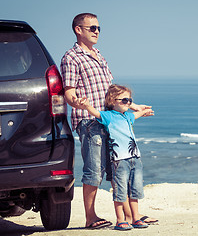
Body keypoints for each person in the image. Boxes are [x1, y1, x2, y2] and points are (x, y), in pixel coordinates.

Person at [60, 13, 157, 229]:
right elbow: (68, 92)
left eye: (98, 28)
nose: (96, 31)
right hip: (89, 121)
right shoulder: (71, 57)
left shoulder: (99, 55)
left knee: (119, 169)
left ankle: (132, 216)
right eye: (91, 28)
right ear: (78, 29)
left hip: (112, 121)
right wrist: (78, 103)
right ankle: (90, 217)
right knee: (94, 170)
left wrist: (133, 106)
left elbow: (111, 93)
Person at [81, 84, 154, 230]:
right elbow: (95, 113)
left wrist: (143, 109)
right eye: (125, 100)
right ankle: (120, 220)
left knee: (135, 190)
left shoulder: (128, 116)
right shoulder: (108, 116)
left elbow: (138, 114)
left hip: (135, 158)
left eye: (129, 100)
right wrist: (87, 105)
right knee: (120, 190)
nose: (128, 103)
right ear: (113, 100)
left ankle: (135, 218)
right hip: (119, 160)